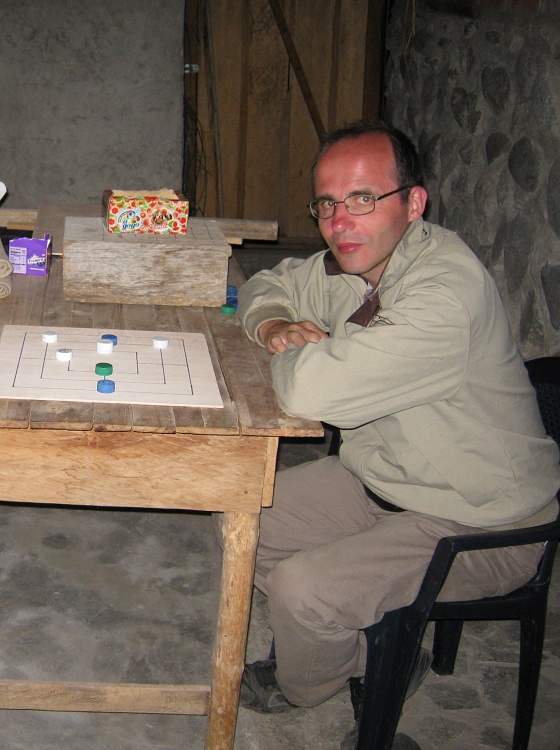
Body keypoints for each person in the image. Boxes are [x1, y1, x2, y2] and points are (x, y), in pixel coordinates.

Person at [234, 120, 560, 747]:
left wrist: (298, 356)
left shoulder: (443, 294)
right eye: (327, 204)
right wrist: (275, 325)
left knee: (305, 592)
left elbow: (307, 392)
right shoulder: (361, 260)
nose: (341, 222)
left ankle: (311, 686)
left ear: (413, 203)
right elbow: (268, 283)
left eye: (363, 198)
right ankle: (379, 657)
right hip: (386, 478)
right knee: (247, 517)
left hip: (481, 519)